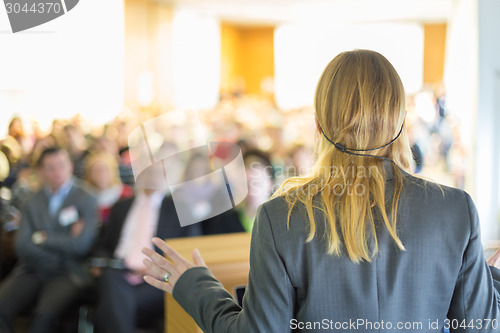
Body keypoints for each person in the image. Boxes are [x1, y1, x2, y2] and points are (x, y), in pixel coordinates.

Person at [141, 49, 500, 332]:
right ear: (401, 122)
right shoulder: (455, 210)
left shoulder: (280, 216)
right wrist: (485, 279)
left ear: (317, 124)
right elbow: (480, 325)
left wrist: (195, 286)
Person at [90, 162, 202, 333]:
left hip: (157, 277)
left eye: (156, 173)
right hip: (118, 272)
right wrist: (101, 262)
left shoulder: (177, 208)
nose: (151, 178)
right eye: (147, 173)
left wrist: (160, 268)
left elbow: (189, 250)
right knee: (111, 284)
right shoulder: (121, 207)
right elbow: (104, 245)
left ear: (165, 177)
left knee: (112, 305)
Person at [0, 146, 98, 333]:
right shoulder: (32, 201)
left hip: (68, 271)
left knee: (43, 317)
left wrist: (43, 238)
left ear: (70, 165)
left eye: (61, 165)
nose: (57, 172)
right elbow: (22, 246)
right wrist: (62, 243)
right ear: (41, 171)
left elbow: (81, 246)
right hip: (31, 269)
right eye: (50, 167)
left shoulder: (86, 198)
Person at [83, 151, 134, 226]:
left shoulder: (126, 194)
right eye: (95, 170)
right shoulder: (85, 196)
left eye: (104, 170)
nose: (100, 174)